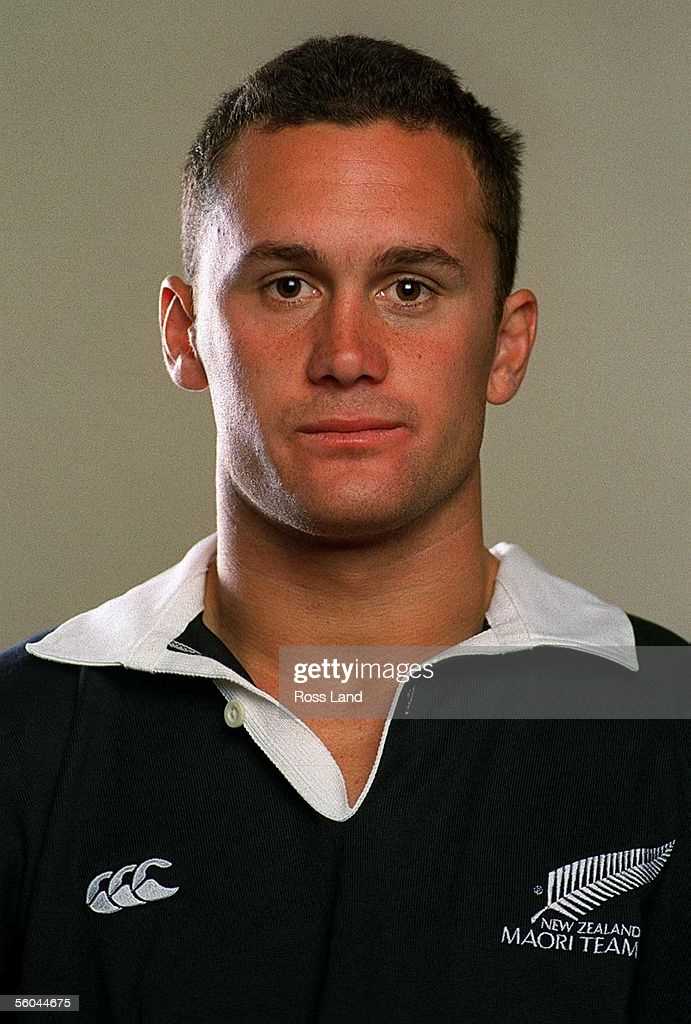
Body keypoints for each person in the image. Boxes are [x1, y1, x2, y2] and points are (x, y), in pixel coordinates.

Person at [1, 33, 687, 1024]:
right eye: (287, 284)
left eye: (410, 287)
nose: (347, 353)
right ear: (183, 331)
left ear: (505, 343)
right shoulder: (25, 739)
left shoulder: (669, 721)